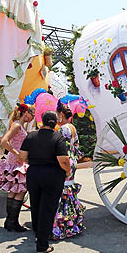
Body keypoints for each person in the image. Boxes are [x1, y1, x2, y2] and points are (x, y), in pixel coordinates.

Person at [20, 111, 71, 253]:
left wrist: (35, 162)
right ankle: (42, 245)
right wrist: (67, 171)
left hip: (34, 173)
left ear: (42, 121)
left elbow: (23, 156)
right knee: (47, 209)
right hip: (52, 175)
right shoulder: (57, 137)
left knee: (35, 205)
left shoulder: (31, 136)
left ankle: (37, 232)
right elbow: (63, 160)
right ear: (54, 123)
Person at [0, 103, 35, 232]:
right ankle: (12, 222)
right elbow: (4, 141)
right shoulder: (16, 125)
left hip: (15, 159)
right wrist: (16, 153)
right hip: (17, 160)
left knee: (14, 189)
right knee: (21, 189)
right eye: (32, 114)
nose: (32, 118)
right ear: (26, 113)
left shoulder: (18, 125)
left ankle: (10, 221)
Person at [51, 102, 86, 240]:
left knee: (62, 191)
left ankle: (61, 225)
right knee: (68, 190)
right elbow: (76, 147)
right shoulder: (72, 127)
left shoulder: (63, 129)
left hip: (64, 161)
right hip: (73, 161)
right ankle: (73, 222)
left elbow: (61, 148)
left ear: (60, 114)